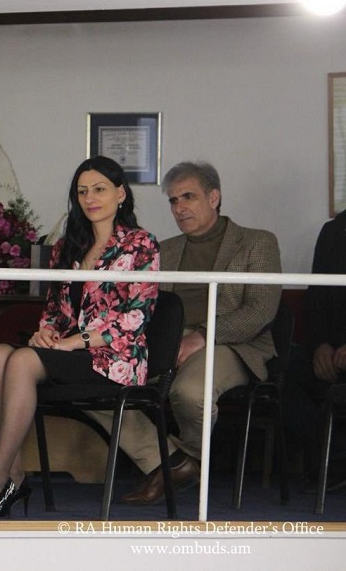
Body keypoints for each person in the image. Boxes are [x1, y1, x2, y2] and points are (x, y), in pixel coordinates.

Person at [0, 155, 159, 519]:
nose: (90, 198)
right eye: (82, 191)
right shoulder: (68, 246)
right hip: (69, 352)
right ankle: (14, 474)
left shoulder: (141, 244)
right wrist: (46, 332)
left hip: (115, 359)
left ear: (120, 193)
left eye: (99, 189)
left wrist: (74, 342)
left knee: (21, 361)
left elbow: (136, 319)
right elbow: (54, 308)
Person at [116, 160, 281, 505]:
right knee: (99, 379)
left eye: (188, 197)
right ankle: (172, 463)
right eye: (173, 201)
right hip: (167, 343)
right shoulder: (165, 249)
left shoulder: (257, 242)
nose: (179, 208)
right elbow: (142, 307)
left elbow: (259, 311)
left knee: (191, 392)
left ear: (214, 197)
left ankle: (180, 465)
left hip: (233, 343)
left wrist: (202, 336)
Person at [285, 209, 346, 491]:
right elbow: (317, 295)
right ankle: (331, 458)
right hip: (330, 346)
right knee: (282, 370)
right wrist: (320, 345)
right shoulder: (334, 231)